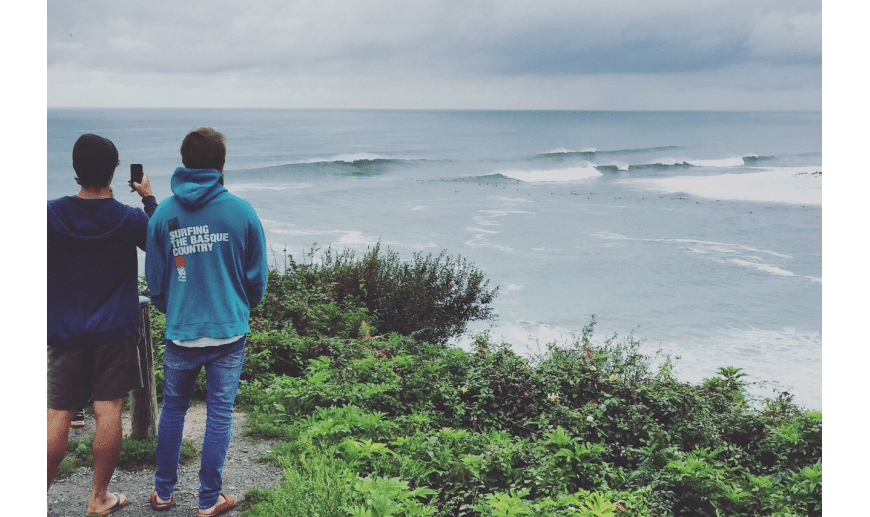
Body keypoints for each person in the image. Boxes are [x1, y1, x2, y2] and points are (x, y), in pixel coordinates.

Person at [146, 127, 268, 516]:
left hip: (182, 330)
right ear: (221, 163)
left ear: (184, 161)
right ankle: (207, 500)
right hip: (229, 330)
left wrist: (173, 308)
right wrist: (242, 306)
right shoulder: (242, 211)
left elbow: (157, 278)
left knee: (174, 409)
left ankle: (163, 493)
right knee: (219, 413)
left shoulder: (165, 214)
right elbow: (257, 277)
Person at [47, 133, 156, 516]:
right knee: (108, 411)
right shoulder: (127, 219)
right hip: (114, 331)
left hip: (65, 331)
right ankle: (98, 498)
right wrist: (147, 198)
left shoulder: (49, 213)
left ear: (76, 169)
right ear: (114, 170)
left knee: (58, 413)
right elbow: (165, 242)